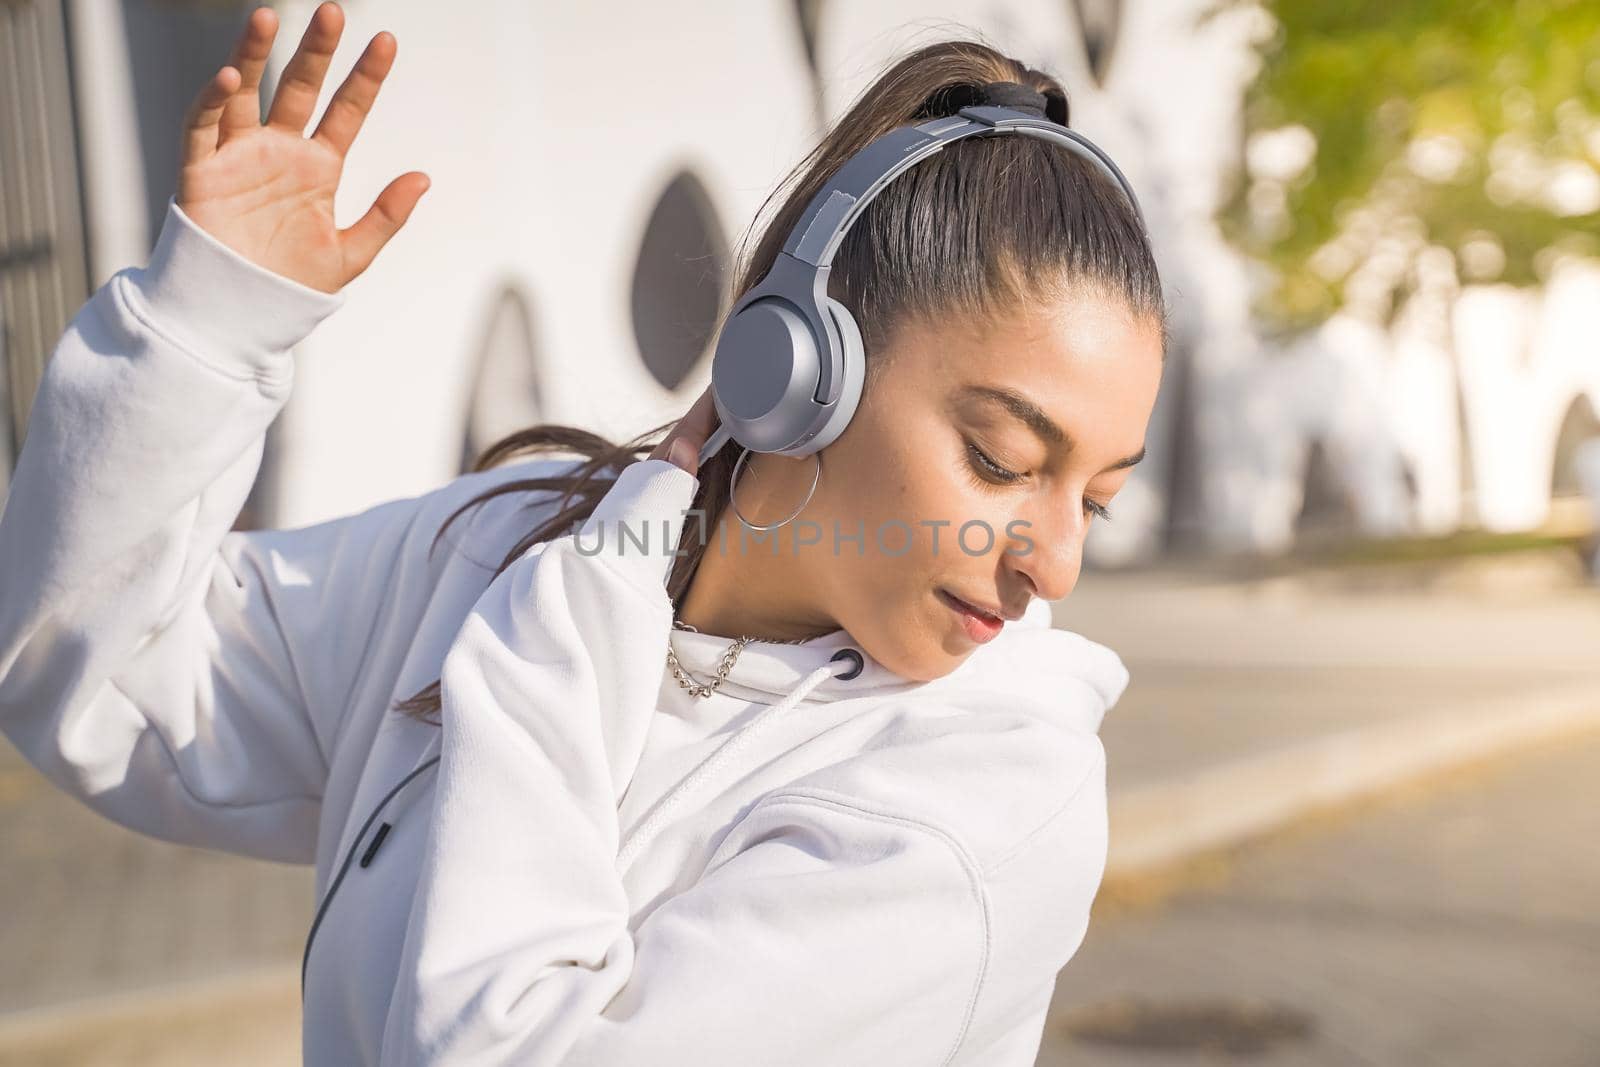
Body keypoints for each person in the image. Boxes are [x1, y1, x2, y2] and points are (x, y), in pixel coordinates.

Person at [0, 3, 1166, 1064]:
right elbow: (100, 675)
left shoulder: (985, 796)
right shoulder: (502, 544)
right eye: (1005, 463)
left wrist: (556, 643)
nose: (1054, 561)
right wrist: (209, 323)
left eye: (1093, 496)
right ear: (798, 367)